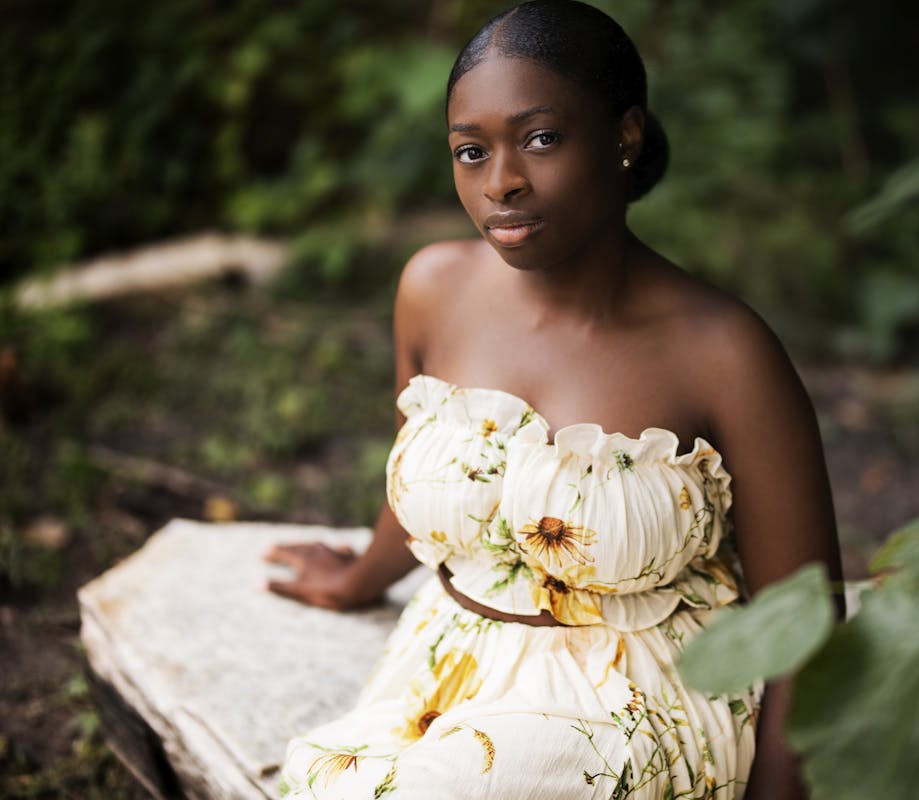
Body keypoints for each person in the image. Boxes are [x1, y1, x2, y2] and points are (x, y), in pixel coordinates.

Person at [264, 1, 842, 797]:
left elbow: (805, 622)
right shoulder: (431, 289)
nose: (502, 182)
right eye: (472, 152)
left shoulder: (723, 350)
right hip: (446, 667)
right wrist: (360, 577)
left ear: (624, 136)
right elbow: (446, 483)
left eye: (541, 139)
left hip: (642, 698)